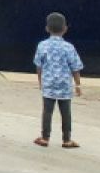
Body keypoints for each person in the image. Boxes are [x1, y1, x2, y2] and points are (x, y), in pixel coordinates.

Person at [33, 13, 83, 148]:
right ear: (65, 29)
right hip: (65, 85)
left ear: (47, 29)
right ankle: (66, 139)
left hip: (48, 83)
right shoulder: (69, 47)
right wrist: (77, 85)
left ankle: (45, 138)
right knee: (66, 112)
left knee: (47, 111)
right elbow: (75, 67)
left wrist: (40, 81)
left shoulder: (42, 45)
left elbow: (39, 66)